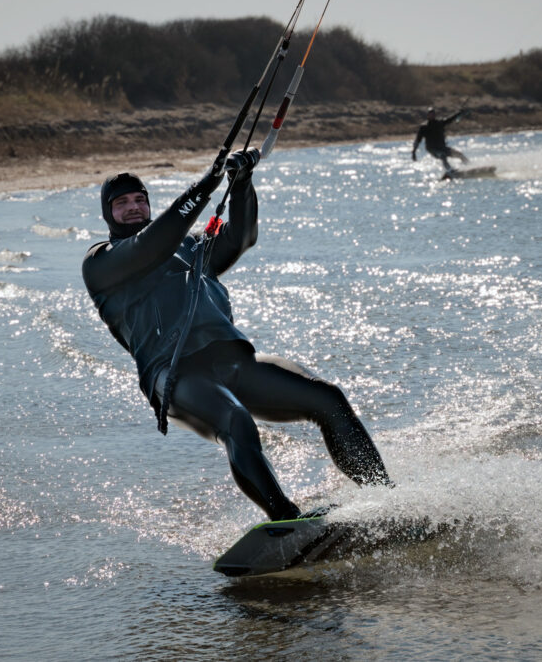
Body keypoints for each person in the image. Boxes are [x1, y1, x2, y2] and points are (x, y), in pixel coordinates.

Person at [81, 149, 392, 521]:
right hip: (175, 375)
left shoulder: (191, 246)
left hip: (232, 360)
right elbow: (150, 245)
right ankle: (285, 521)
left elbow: (242, 236)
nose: (133, 207)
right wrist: (204, 186)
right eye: (122, 203)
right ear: (107, 213)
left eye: (140, 199)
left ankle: (387, 500)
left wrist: (241, 184)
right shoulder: (102, 263)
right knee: (236, 421)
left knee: (328, 399)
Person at [411, 106, 469, 174]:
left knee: (460, 155)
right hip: (433, 149)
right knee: (442, 156)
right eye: (430, 114)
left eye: (433, 114)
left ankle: (471, 166)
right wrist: (414, 152)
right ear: (427, 115)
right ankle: (450, 170)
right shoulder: (424, 127)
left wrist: (459, 113)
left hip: (442, 147)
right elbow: (418, 140)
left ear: (435, 115)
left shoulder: (439, 123)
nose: (432, 115)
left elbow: (450, 119)